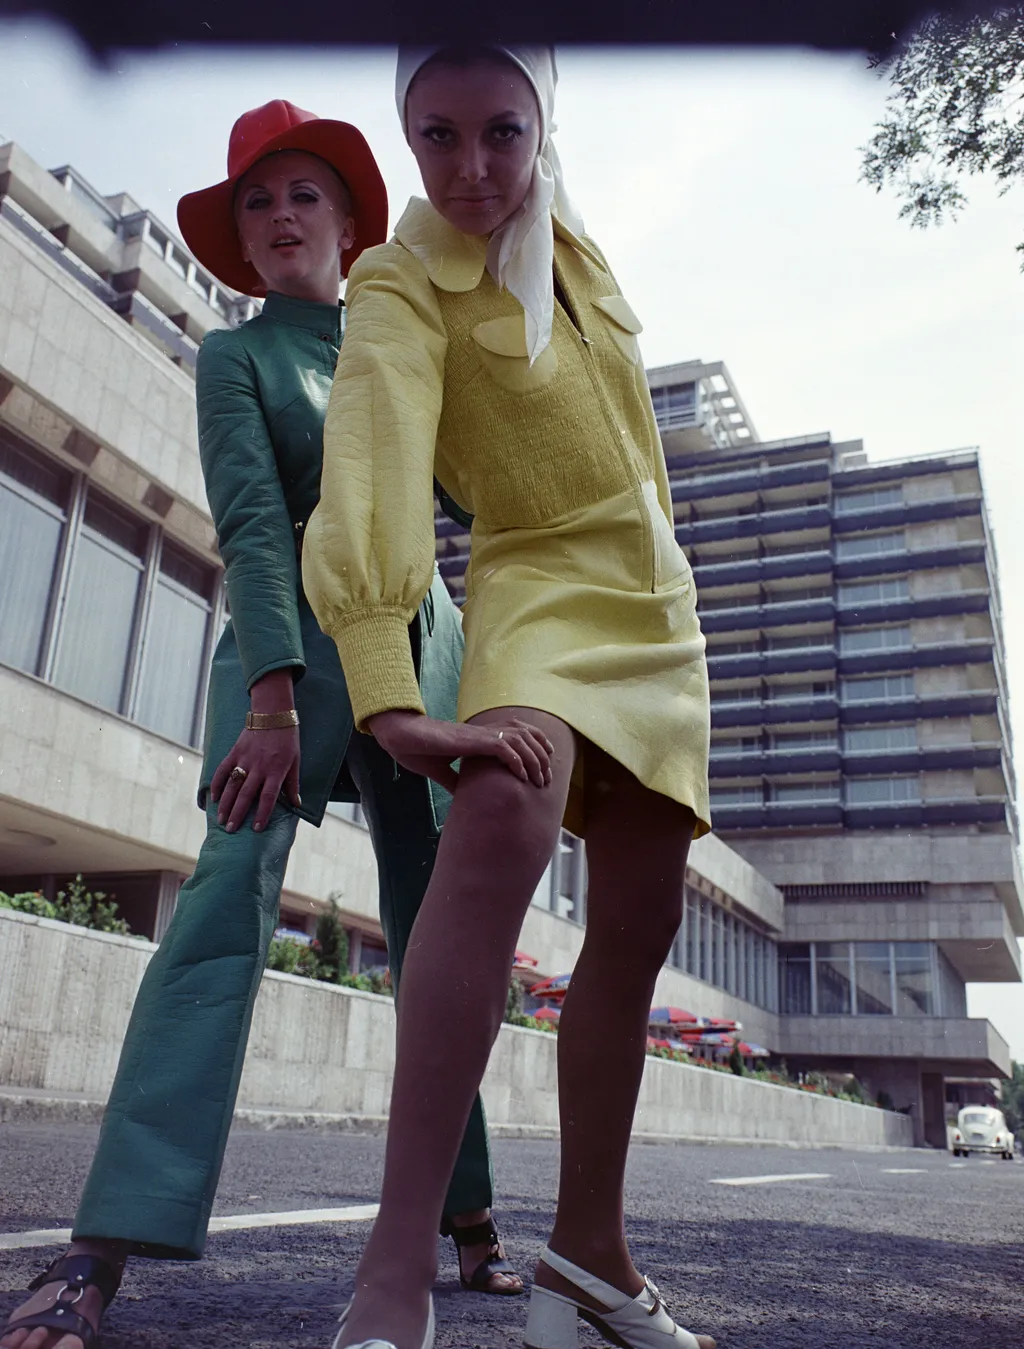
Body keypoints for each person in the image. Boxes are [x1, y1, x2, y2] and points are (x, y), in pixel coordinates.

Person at [0, 98, 521, 1349]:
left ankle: (471, 1214)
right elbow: (246, 518)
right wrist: (273, 697)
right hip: (289, 660)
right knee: (220, 907)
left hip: (422, 655)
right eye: (256, 201)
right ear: (239, 237)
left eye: (303, 196)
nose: (280, 216)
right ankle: (98, 1245)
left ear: (349, 225)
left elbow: (478, 494)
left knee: (436, 934)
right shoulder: (235, 358)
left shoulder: (404, 338)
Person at [302, 45, 716, 1349]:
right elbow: (374, 447)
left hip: (657, 607)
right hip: (535, 583)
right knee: (498, 818)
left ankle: (590, 1263)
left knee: (639, 919)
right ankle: (392, 1276)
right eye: (438, 135)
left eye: (502, 131)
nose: (472, 167)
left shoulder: (578, 251)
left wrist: (669, 589)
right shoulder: (399, 277)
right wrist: (384, 683)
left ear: (543, 128)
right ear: (407, 135)